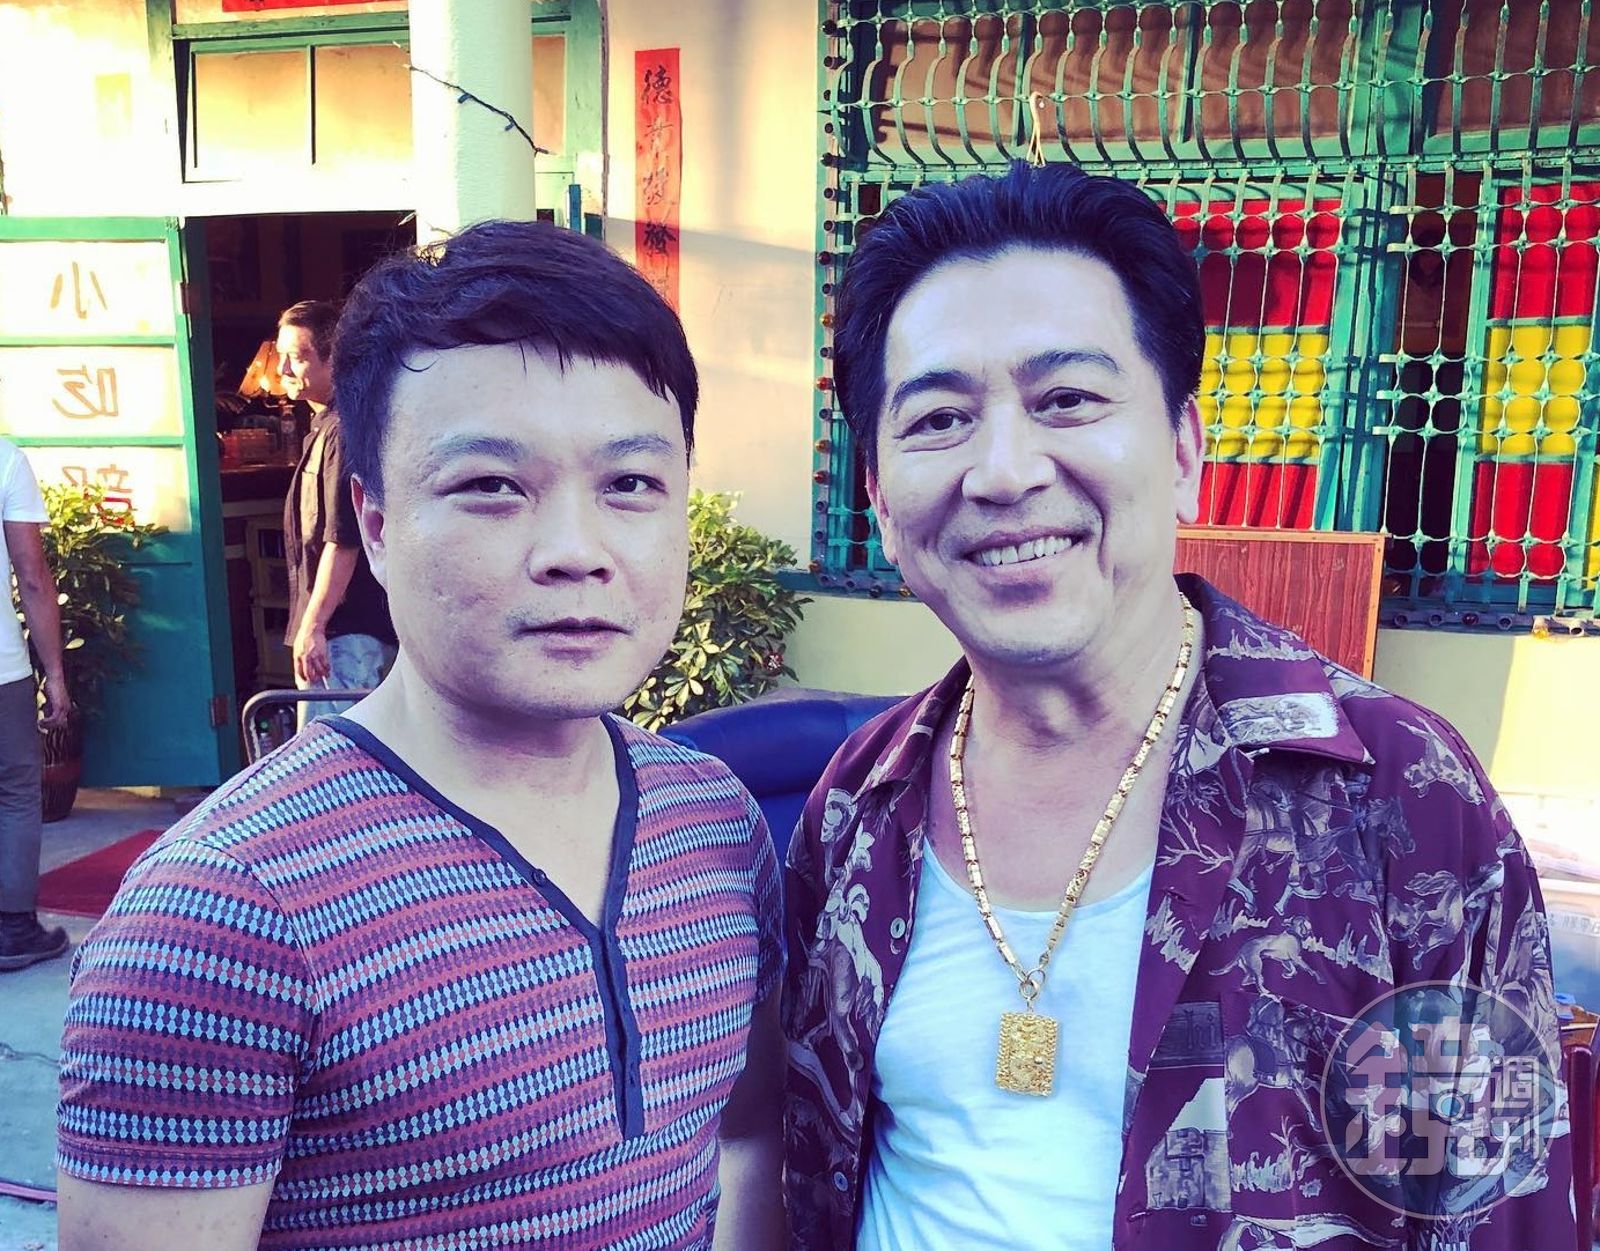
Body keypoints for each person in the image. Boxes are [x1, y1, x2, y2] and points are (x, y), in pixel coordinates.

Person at [782, 162, 1574, 1250]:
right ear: (876, 495)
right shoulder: (856, 806)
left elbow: (1498, 1214)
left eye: (1067, 400)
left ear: (1184, 448)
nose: (1004, 471)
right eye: (938, 419)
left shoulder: (1399, 797)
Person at [57, 222, 785, 1250]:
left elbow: (748, 1138)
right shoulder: (220, 912)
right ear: (377, 523)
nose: (575, 551)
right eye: (491, 485)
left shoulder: (713, 821)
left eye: (630, 484)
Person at [275, 299, 396, 723]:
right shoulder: (327, 426)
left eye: (297, 356)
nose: (283, 369)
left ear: (333, 359)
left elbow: (343, 538)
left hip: (347, 631)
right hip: (341, 629)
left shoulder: (343, 430)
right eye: (281, 356)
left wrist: (314, 625)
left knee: (338, 751)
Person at [0, 438, 71, 971]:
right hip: (1, 669)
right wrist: (55, 673)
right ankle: (14, 928)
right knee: (16, 790)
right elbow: (32, 575)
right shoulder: (6, 458)